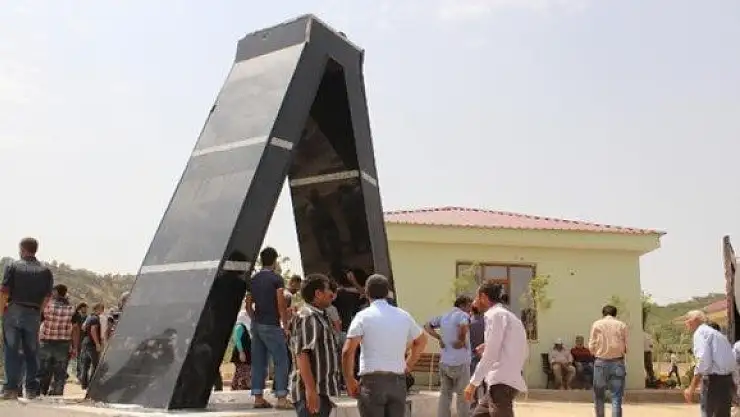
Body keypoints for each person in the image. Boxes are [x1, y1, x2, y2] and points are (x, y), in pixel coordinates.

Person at [342, 274, 427, 417]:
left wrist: (349, 380)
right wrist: (408, 365)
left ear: (366, 293)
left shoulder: (363, 316)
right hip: (398, 381)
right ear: (387, 293)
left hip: (372, 382)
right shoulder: (403, 315)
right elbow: (421, 341)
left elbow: (347, 351)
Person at [0, 237, 54, 400]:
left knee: (11, 350)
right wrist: (38, 312)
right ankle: (31, 389)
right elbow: (47, 297)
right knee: (32, 351)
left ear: (22, 249)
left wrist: (2, 312)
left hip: (14, 310)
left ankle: (11, 389)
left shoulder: (13, 266)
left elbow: (4, 292)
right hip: (34, 312)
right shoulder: (46, 271)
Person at [463, 282, 528, 417]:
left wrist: (473, 383)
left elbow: (490, 355)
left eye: (476, 297)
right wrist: (487, 345)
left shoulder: (494, 315)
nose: (474, 301)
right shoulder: (507, 316)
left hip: (501, 381)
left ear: (483, 297)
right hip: (503, 380)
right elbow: (514, 345)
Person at [245, 247, 291, 409]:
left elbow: (248, 305)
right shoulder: (276, 279)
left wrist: (254, 319)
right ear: (274, 260)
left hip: (256, 324)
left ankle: (258, 398)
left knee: (258, 362)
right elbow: (280, 303)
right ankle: (281, 398)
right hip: (271, 323)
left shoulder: (253, 280)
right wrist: (285, 325)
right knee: (281, 360)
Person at [290, 274, 341, 417]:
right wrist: (311, 391)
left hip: (320, 392)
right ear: (318, 293)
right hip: (310, 393)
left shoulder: (321, 316)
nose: (332, 294)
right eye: (328, 290)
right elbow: (302, 354)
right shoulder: (308, 317)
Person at [424, 295, 473, 417]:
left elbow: (427, 325)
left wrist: (439, 338)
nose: (470, 309)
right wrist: (461, 340)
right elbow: (463, 326)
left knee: (445, 395)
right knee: (463, 396)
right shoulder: (462, 315)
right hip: (461, 362)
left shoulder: (444, 316)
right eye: (469, 306)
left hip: (445, 362)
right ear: (462, 305)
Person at [683, 310, 736, 417]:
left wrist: (691, 387)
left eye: (687, 319)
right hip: (726, 381)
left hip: (713, 382)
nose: (685, 323)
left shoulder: (700, 333)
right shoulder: (718, 334)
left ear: (695, 320)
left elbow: (702, 362)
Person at [588, 304, 628, 417]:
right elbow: (626, 347)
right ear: (615, 314)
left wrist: (596, 353)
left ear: (603, 314)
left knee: (599, 396)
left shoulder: (597, 324)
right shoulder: (622, 325)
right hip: (617, 363)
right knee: (616, 397)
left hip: (601, 362)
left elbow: (591, 345)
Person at [37, 284, 76, 396]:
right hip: (63, 344)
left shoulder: (47, 307)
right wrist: (74, 347)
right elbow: (75, 329)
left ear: (56, 292)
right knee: (60, 373)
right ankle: (57, 395)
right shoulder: (71, 309)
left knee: (43, 370)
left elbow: (38, 322)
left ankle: (40, 393)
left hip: (46, 342)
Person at [80, 303, 105, 390]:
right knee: (95, 364)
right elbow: (93, 330)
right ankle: (92, 385)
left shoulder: (89, 317)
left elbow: (83, 327)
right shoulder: (95, 318)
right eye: (102, 308)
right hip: (92, 344)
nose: (102, 311)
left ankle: (84, 385)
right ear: (97, 309)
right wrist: (97, 343)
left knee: (85, 365)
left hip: (85, 342)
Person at [231, 309, 252, 391]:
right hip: (241, 353)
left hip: (245, 353)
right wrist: (241, 352)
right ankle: (242, 386)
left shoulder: (245, 327)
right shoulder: (240, 326)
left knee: (240, 372)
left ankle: (236, 386)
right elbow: (236, 339)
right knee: (243, 371)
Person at [72, 302, 88, 383]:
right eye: (85, 307)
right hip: (79, 339)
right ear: (81, 308)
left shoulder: (84, 316)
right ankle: (79, 375)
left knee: (81, 357)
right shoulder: (80, 316)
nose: (86, 309)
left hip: (82, 339)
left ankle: (80, 375)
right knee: (80, 357)